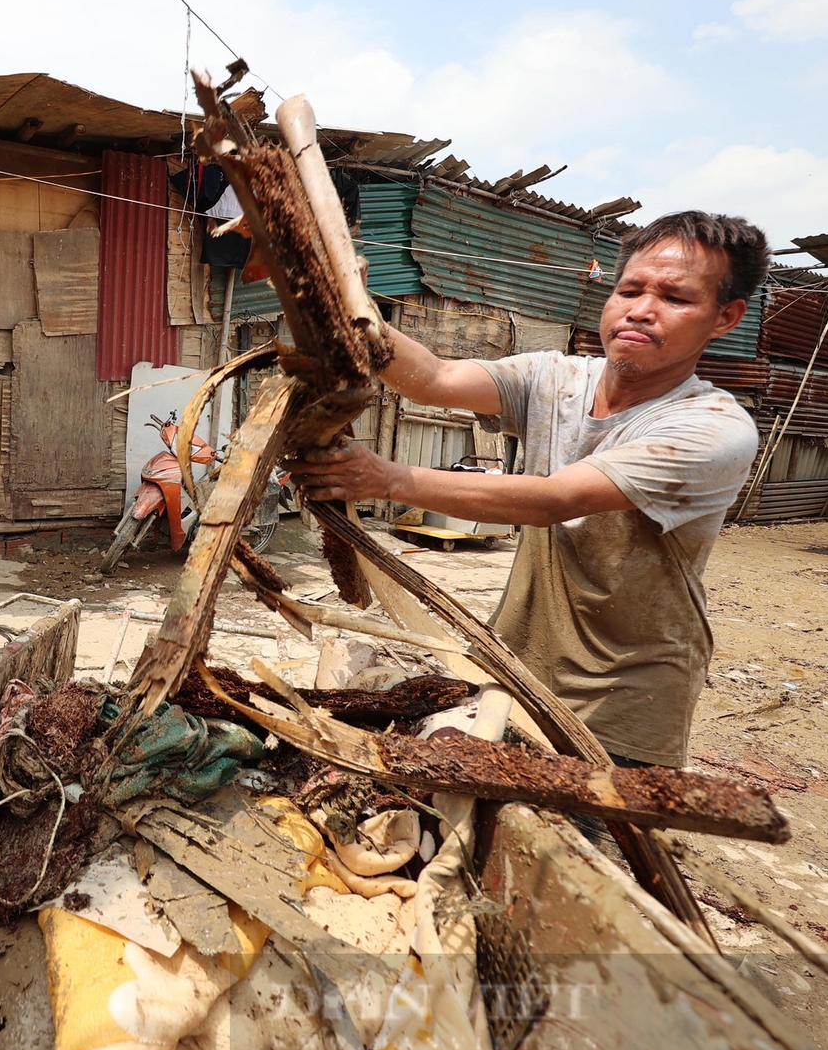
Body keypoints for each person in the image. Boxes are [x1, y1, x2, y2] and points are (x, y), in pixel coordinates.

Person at [293, 212, 767, 772]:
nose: (640, 309)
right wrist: (350, 314)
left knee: (576, 844)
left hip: (622, 695)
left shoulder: (712, 428)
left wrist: (388, 479)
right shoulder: (557, 379)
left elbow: (555, 499)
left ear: (725, 317)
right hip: (513, 664)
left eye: (675, 298)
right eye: (629, 290)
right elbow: (437, 378)